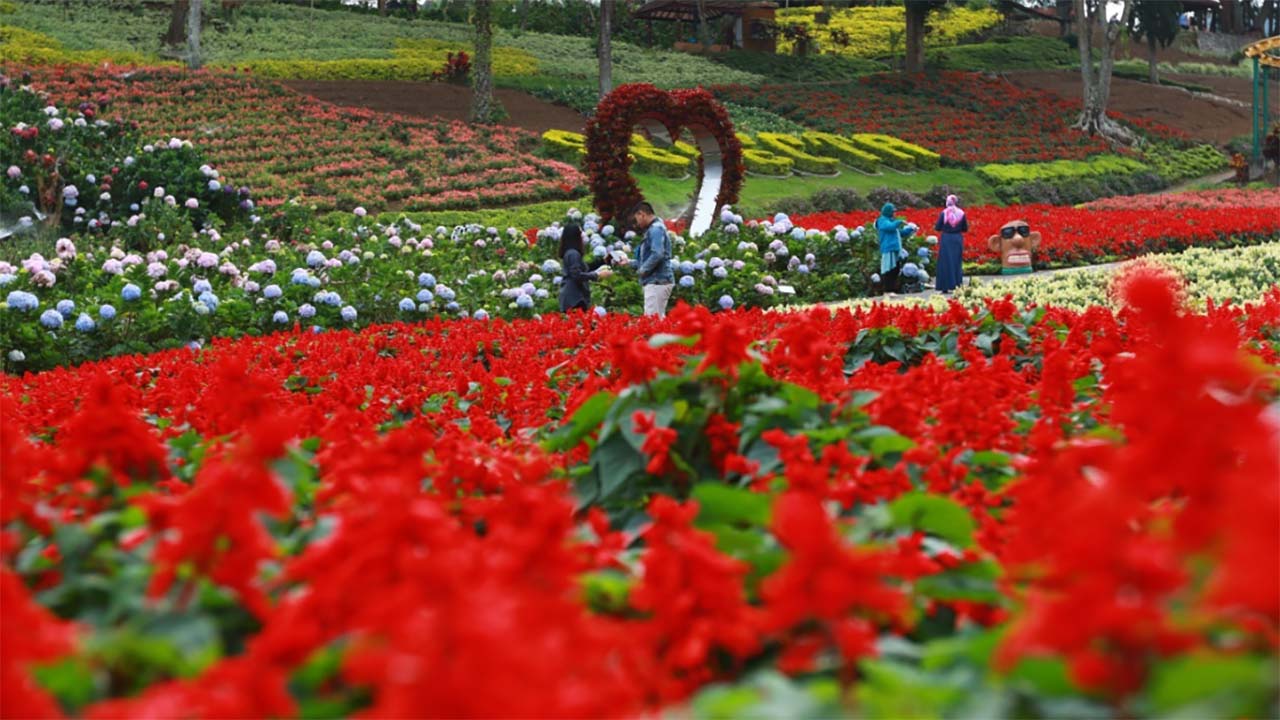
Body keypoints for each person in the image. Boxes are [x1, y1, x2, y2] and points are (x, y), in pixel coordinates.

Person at [630, 202, 674, 317]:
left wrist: (643, 270)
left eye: (637, 219)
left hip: (657, 281)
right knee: (656, 319)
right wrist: (629, 263)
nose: (637, 223)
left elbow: (658, 254)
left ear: (642, 214)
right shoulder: (656, 228)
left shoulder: (655, 230)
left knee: (652, 320)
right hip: (657, 281)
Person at [558, 223, 610, 313]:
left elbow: (584, 268)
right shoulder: (573, 254)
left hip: (572, 296)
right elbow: (577, 275)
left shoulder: (570, 253)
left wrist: (603, 261)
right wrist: (597, 274)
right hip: (574, 298)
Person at [874, 202, 914, 293]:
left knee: (895, 270)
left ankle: (892, 289)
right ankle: (888, 290)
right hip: (888, 249)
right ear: (888, 212)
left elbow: (899, 233)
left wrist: (910, 229)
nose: (895, 213)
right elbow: (889, 227)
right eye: (893, 212)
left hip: (895, 249)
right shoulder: (882, 221)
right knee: (888, 270)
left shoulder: (890, 221)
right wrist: (899, 222)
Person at [933, 194, 969, 294]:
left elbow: (938, 227)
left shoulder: (944, 213)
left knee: (945, 262)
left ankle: (945, 286)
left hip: (946, 238)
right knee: (956, 262)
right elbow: (965, 228)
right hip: (957, 238)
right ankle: (957, 284)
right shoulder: (961, 213)